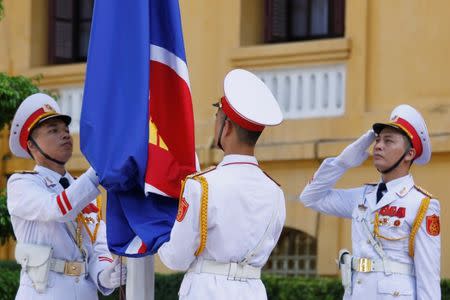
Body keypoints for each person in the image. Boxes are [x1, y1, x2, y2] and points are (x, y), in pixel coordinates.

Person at [158, 69, 286, 299]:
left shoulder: (202, 185)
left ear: (226, 127)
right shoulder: (275, 192)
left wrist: (157, 237)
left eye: (217, 116)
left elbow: (177, 258)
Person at [299, 104, 440, 299]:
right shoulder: (362, 196)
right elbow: (310, 197)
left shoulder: (422, 204)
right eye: (378, 140)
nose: (379, 146)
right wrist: (341, 163)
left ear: (409, 154)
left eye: (389, 141)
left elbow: (428, 276)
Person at [7, 93, 126, 299]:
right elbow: (58, 209)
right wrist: (98, 169)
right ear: (32, 146)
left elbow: (97, 246)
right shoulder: (22, 183)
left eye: (65, 130)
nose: (65, 135)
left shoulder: (82, 188)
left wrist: (105, 275)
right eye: (53, 131)